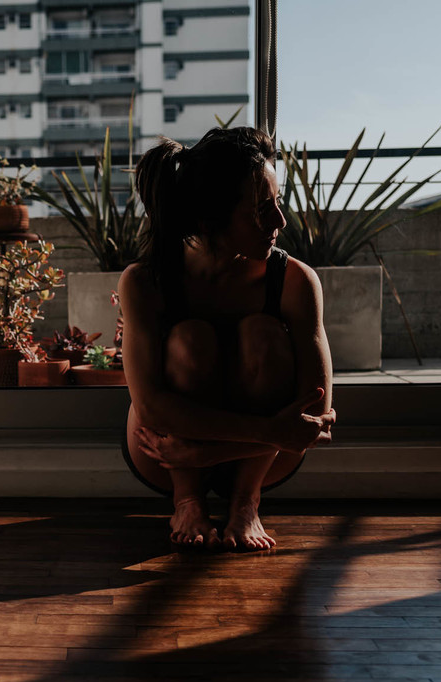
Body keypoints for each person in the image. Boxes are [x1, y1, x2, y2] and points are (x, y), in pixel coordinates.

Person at [119, 126, 336, 551]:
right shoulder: (145, 281)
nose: (280, 221)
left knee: (263, 333)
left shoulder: (295, 281)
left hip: (258, 460)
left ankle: (246, 502)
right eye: (261, 210)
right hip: (165, 455)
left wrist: (206, 453)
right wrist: (271, 432)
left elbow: (314, 415)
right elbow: (151, 408)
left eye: (278, 203)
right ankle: (187, 500)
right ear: (208, 219)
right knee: (190, 338)